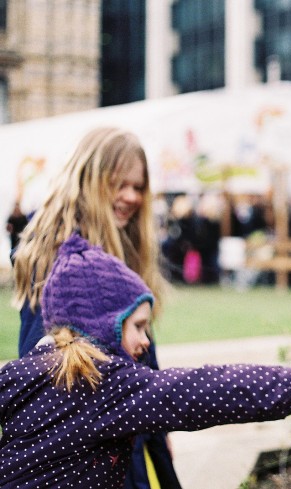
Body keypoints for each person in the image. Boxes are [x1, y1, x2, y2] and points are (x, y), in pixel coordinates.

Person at [0, 234, 291, 488]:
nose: (145, 341)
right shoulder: (104, 383)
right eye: (137, 326)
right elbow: (198, 392)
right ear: (101, 323)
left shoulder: (19, 375)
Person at [10, 127, 179, 488]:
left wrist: (158, 432)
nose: (130, 196)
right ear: (89, 179)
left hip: (127, 430)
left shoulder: (124, 247)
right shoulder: (59, 259)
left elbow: (144, 353)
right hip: (86, 448)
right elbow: (39, 366)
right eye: (118, 184)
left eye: (138, 187)